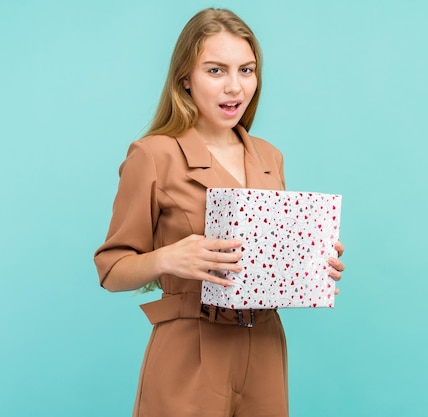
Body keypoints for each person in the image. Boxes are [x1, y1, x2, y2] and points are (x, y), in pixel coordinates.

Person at [94, 8, 345, 417]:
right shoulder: (154, 155)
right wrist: (168, 258)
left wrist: (312, 262)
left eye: (246, 70)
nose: (234, 87)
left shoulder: (269, 157)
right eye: (216, 70)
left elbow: (266, 258)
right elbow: (110, 270)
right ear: (185, 79)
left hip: (264, 344)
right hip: (189, 349)